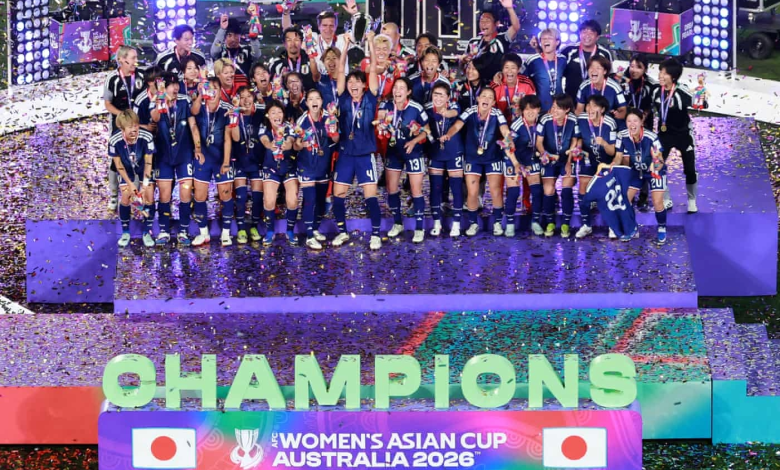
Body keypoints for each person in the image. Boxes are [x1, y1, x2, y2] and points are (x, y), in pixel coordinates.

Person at [332, 32, 383, 250]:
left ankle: (376, 234)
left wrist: (371, 43)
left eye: (357, 82)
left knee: (370, 194)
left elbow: (372, 68)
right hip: (345, 153)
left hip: (364, 155)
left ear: (364, 85)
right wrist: (344, 47)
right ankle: (342, 232)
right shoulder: (343, 97)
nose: (353, 84)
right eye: (351, 81)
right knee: (339, 194)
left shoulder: (371, 97)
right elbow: (341, 70)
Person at [440, 87, 512, 237]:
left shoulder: (497, 113)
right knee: (472, 193)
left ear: (493, 102)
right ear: (478, 99)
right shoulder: (470, 111)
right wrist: (448, 134)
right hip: (473, 157)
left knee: (495, 190)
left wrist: (508, 138)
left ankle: (497, 222)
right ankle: (473, 223)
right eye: (483, 96)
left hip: (492, 156)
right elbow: (457, 125)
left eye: (490, 97)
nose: (486, 99)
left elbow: (505, 129)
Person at [150, 72, 204, 245]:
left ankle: (183, 230)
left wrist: (198, 148)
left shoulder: (184, 101)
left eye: (176, 84)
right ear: (163, 87)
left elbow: (193, 125)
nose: (175, 88)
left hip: (184, 153)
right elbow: (155, 118)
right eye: (171, 85)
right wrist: (160, 100)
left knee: (186, 192)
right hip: (164, 154)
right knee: (164, 194)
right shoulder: (158, 102)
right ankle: (164, 231)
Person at [379, 77, 431, 243]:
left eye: (402, 88)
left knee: (416, 190)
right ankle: (397, 223)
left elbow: (427, 130)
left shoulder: (416, 108)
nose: (397, 91)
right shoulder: (386, 106)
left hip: (413, 151)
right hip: (394, 151)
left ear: (408, 91)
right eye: (395, 87)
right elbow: (380, 122)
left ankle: (419, 228)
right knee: (391, 188)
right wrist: (381, 127)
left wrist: (415, 140)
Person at [191, 77, 234, 247]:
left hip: (220, 158)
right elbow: (193, 117)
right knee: (200, 196)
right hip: (204, 157)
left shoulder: (227, 109)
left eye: (216, 87)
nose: (213, 90)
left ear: (220, 89)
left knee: (225, 195)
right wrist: (201, 95)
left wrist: (225, 162)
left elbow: (228, 139)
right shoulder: (200, 107)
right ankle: (203, 233)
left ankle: (225, 233)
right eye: (210, 87)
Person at [294, 88, 338, 250]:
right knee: (310, 199)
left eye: (317, 98)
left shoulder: (329, 118)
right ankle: (310, 236)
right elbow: (295, 144)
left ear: (321, 101)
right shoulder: (302, 120)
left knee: (321, 201)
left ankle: (313, 226)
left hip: (323, 165)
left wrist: (332, 130)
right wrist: (301, 144)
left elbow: (336, 138)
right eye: (311, 99)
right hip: (307, 165)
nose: (314, 101)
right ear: (306, 103)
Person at [652, 57, 698, 213]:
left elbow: (699, 101)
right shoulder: (656, 91)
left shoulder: (682, 90)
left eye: (663, 73)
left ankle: (692, 200)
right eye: (660, 72)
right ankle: (666, 198)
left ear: (672, 76)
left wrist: (702, 96)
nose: (660, 76)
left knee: (690, 169)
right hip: (664, 134)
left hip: (683, 134)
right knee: (658, 166)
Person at [104, 46, 146, 211]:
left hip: (138, 124)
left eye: (137, 57)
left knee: (138, 157)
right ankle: (114, 196)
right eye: (133, 58)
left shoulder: (141, 75)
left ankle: (135, 194)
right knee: (116, 160)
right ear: (121, 59)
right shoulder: (112, 79)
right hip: (119, 125)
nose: (136, 61)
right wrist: (123, 117)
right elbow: (108, 104)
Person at [616, 108, 667, 243]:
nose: (632, 124)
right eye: (629, 121)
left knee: (657, 202)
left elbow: (660, 159)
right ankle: (632, 228)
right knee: (625, 200)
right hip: (636, 171)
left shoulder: (651, 137)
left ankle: (662, 227)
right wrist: (612, 167)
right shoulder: (622, 135)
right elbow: (618, 157)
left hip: (654, 172)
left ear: (641, 122)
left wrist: (655, 164)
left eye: (635, 121)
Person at [535, 93, 580, 238]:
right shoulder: (545, 119)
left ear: (566, 109)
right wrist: (544, 155)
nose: (554, 110)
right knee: (548, 190)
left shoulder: (573, 120)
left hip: (566, 157)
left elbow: (575, 141)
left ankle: (565, 223)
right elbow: (539, 143)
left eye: (558, 108)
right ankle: (550, 222)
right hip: (549, 157)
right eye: (553, 106)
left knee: (567, 189)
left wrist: (569, 161)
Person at [109, 110, 156, 248]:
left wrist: (144, 185)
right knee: (126, 196)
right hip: (126, 170)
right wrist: (130, 184)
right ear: (122, 128)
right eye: (130, 127)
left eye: (136, 125)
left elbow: (149, 163)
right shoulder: (114, 140)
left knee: (149, 196)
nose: (134, 129)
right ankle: (125, 232)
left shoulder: (146, 136)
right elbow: (118, 164)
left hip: (143, 168)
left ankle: (147, 231)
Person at [574, 95, 619, 239]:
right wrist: (578, 147)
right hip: (588, 158)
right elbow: (579, 137)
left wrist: (604, 143)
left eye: (594, 106)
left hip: (606, 161)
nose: (590, 109)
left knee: (608, 191)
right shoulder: (581, 119)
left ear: (603, 109)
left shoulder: (610, 123)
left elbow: (613, 151)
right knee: (582, 188)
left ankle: (613, 225)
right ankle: (587, 225)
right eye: (588, 105)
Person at [258, 100, 299, 245]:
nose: (277, 115)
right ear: (268, 115)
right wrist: (271, 145)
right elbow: (263, 140)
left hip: (288, 167)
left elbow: (290, 140)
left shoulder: (288, 127)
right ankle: (270, 232)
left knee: (292, 200)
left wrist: (285, 145)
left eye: (279, 112)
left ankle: (290, 231)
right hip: (271, 168)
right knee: (269, 200)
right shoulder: (264, 127)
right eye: (273, 112)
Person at [425, 82, 464, 237]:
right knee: (435, 188)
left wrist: (444, 113)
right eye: (435, 94)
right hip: (435, 151)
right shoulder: (427, 108)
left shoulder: (455, 106)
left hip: (453, 150)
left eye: (441, 95)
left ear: (448, 97)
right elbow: (424, 125)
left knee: (456, 188)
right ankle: (436, 223)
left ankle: (456, 223)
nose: (438, 97)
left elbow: (453, 113)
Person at [281, 3, 359, 73]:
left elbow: (360, 34)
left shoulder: (342, 39)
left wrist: (355, 14)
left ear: (335, 27)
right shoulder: (311, 37)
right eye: (324, 25)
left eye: (331, 25)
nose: (328, 29)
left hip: (341, 83)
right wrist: (286, 13)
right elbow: (289, 32)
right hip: (317, 84)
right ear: (319, 27)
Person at [230, 86, 265, 244]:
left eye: (248, 96)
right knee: (241, 197)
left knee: (257, 197)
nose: (245, 100)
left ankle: (254, 226)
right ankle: (242, 228)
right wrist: (235, 116)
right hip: (240, 161)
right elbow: (236, 138)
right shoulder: (234, 115)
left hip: (256, 161)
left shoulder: (259, 115)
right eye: (241, 97)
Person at [508, 95, 543, 236]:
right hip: (513, 159)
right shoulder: (516, 125)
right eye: (527, 109)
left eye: (533, 109)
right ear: (522, 111)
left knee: (537, 191)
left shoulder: (542, 123)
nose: (530, 112)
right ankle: (509, 224)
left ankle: (535, 222)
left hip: (531, 160)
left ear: (539, 110)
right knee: (513, 192)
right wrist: (516, 163)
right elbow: (507, 145)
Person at [463, 0, 520, 80]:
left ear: (496, 23)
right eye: (481, 21)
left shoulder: (502, 38)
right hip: (478, 84)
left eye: (487, 21)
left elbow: (515, 27)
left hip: (496, 83)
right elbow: (464, 65)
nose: (484, 23)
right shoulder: (473, 42)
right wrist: (463, 60)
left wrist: (509, 8)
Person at [581, 164, 638, 241]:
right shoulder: (621, 171)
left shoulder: (593, 187)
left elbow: (584, 202)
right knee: (625, 205)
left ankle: (618, 231)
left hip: (611, 211)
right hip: (621, 206)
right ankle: (629, 229)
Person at [561, 19, 613, 102]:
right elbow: (556, 69)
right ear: (579, 33)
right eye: (584, 32)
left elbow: (609, 78)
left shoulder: (604, 53)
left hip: (595, 101)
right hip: (571, 99)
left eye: (591, 33)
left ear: (597, 37)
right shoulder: (568, 50)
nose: (587, 35)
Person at [522, 28, 567, 113]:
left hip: (559, 108)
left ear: (557, 42)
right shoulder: (532, 60)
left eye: (549, 38)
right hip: (540, 108)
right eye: (543, 38)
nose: (546, 40)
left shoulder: (563, 60)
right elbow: (520, 78)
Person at [267, 27, 321, 91]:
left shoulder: (311, 60)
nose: (293, 44)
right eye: (289, 40)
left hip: (307, 99)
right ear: (284, 43)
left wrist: (312, 60)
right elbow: (270, 86)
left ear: (301, 42)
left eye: (296, 40)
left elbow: (317, 79)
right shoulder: (276, 63)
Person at [575, 56, 626, 120]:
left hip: (608, 122)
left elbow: (623, 111)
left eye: (598, 68)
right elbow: (579, 110)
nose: (594, 70)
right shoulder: (583, 86)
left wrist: (618, 115)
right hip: (589, 121)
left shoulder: (615, 87)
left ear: (604, 71)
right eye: (591, 67)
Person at [211, 15, 260, 83]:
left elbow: (257, 55)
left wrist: (253, 38)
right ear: (224, 37)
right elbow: (214, 51)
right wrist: (222, 30)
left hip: (243, 90)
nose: (233, 39)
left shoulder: (246, 50)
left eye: (236, 35)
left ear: (240, 36)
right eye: (229, 35)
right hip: (224, 90)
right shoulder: (221, 51)